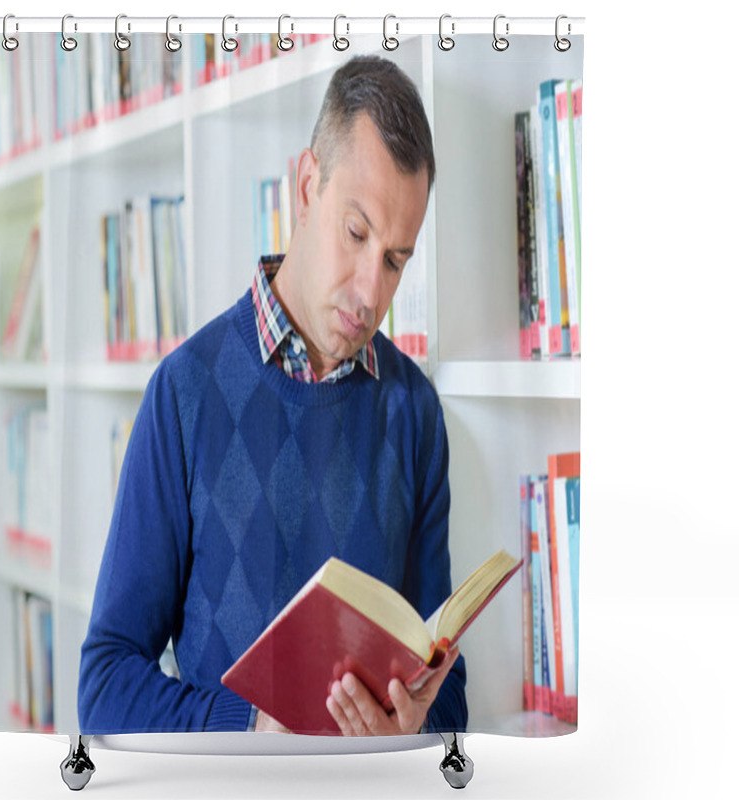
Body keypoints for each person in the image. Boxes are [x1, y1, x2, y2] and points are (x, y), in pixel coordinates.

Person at [78, 53, 468, 736]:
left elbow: (448, 681)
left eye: (396, 260)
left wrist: (419, 720)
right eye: (356, 234)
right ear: (308, 184)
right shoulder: (183, 395)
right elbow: (105, 683)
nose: (370, 292)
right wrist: (249, 729)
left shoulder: (414, 412)